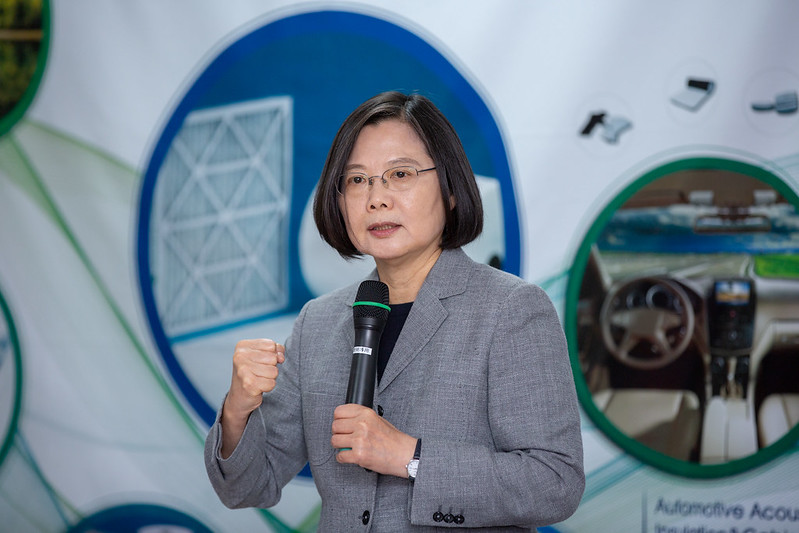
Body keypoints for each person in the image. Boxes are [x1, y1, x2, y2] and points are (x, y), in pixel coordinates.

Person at [204, 91, 585, 531]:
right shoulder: (318, 323)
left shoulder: (511, 310)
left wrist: (409, 457)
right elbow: (245, 488)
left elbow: (555, 481)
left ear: (451, 190)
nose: (376, 199)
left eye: (399, 174)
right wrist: (238, 409)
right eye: (357, 180)